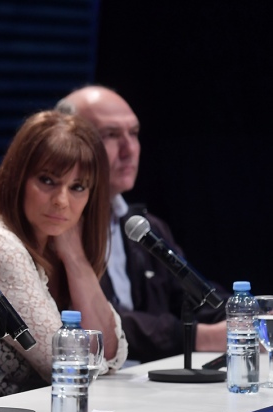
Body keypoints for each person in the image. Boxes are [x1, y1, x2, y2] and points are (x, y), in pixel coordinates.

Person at [0, 110, 128, 396]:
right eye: (48, 181)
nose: (62, 201)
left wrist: (75, 258)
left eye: (78, 187)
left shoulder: (53, 245)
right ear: (18, 178)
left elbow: (108, 351)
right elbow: (68, 366)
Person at [56, 86, 226, 363]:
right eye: (110, 135)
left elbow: (195, 294)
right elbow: (95, 323)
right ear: (67, 144)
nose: (129, 149)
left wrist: (247, 314)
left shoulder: (142, 225)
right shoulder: (55, 228)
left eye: (133, 134)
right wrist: (198, 337)